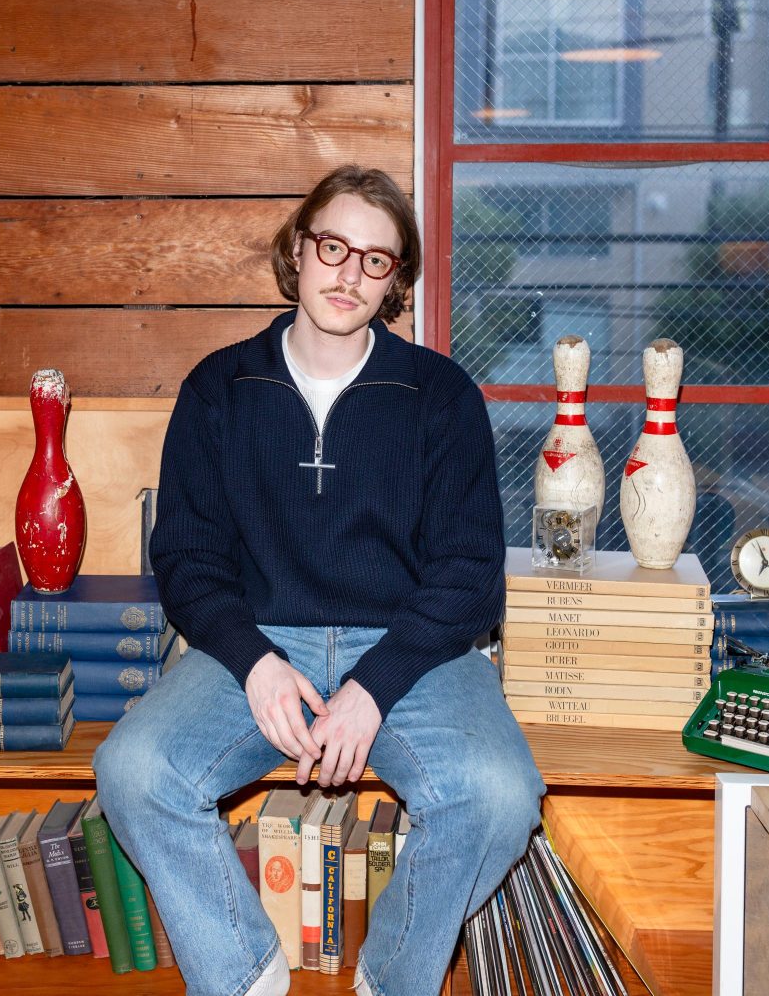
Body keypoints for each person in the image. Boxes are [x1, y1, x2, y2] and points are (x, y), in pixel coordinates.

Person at [94, 165, 543, 996]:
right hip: (260, 645)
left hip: (410, 649)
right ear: (298, 251)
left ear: (394, 280)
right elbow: (187, 557)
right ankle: (244, 973)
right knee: (133, 770)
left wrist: (373, 687)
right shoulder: (218, 389)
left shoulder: (440, 396)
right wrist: (254, 659)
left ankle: (391, 979)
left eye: (377, 260)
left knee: (501, 793)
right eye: (334, 246)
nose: (350, 273)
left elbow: (471, 575)